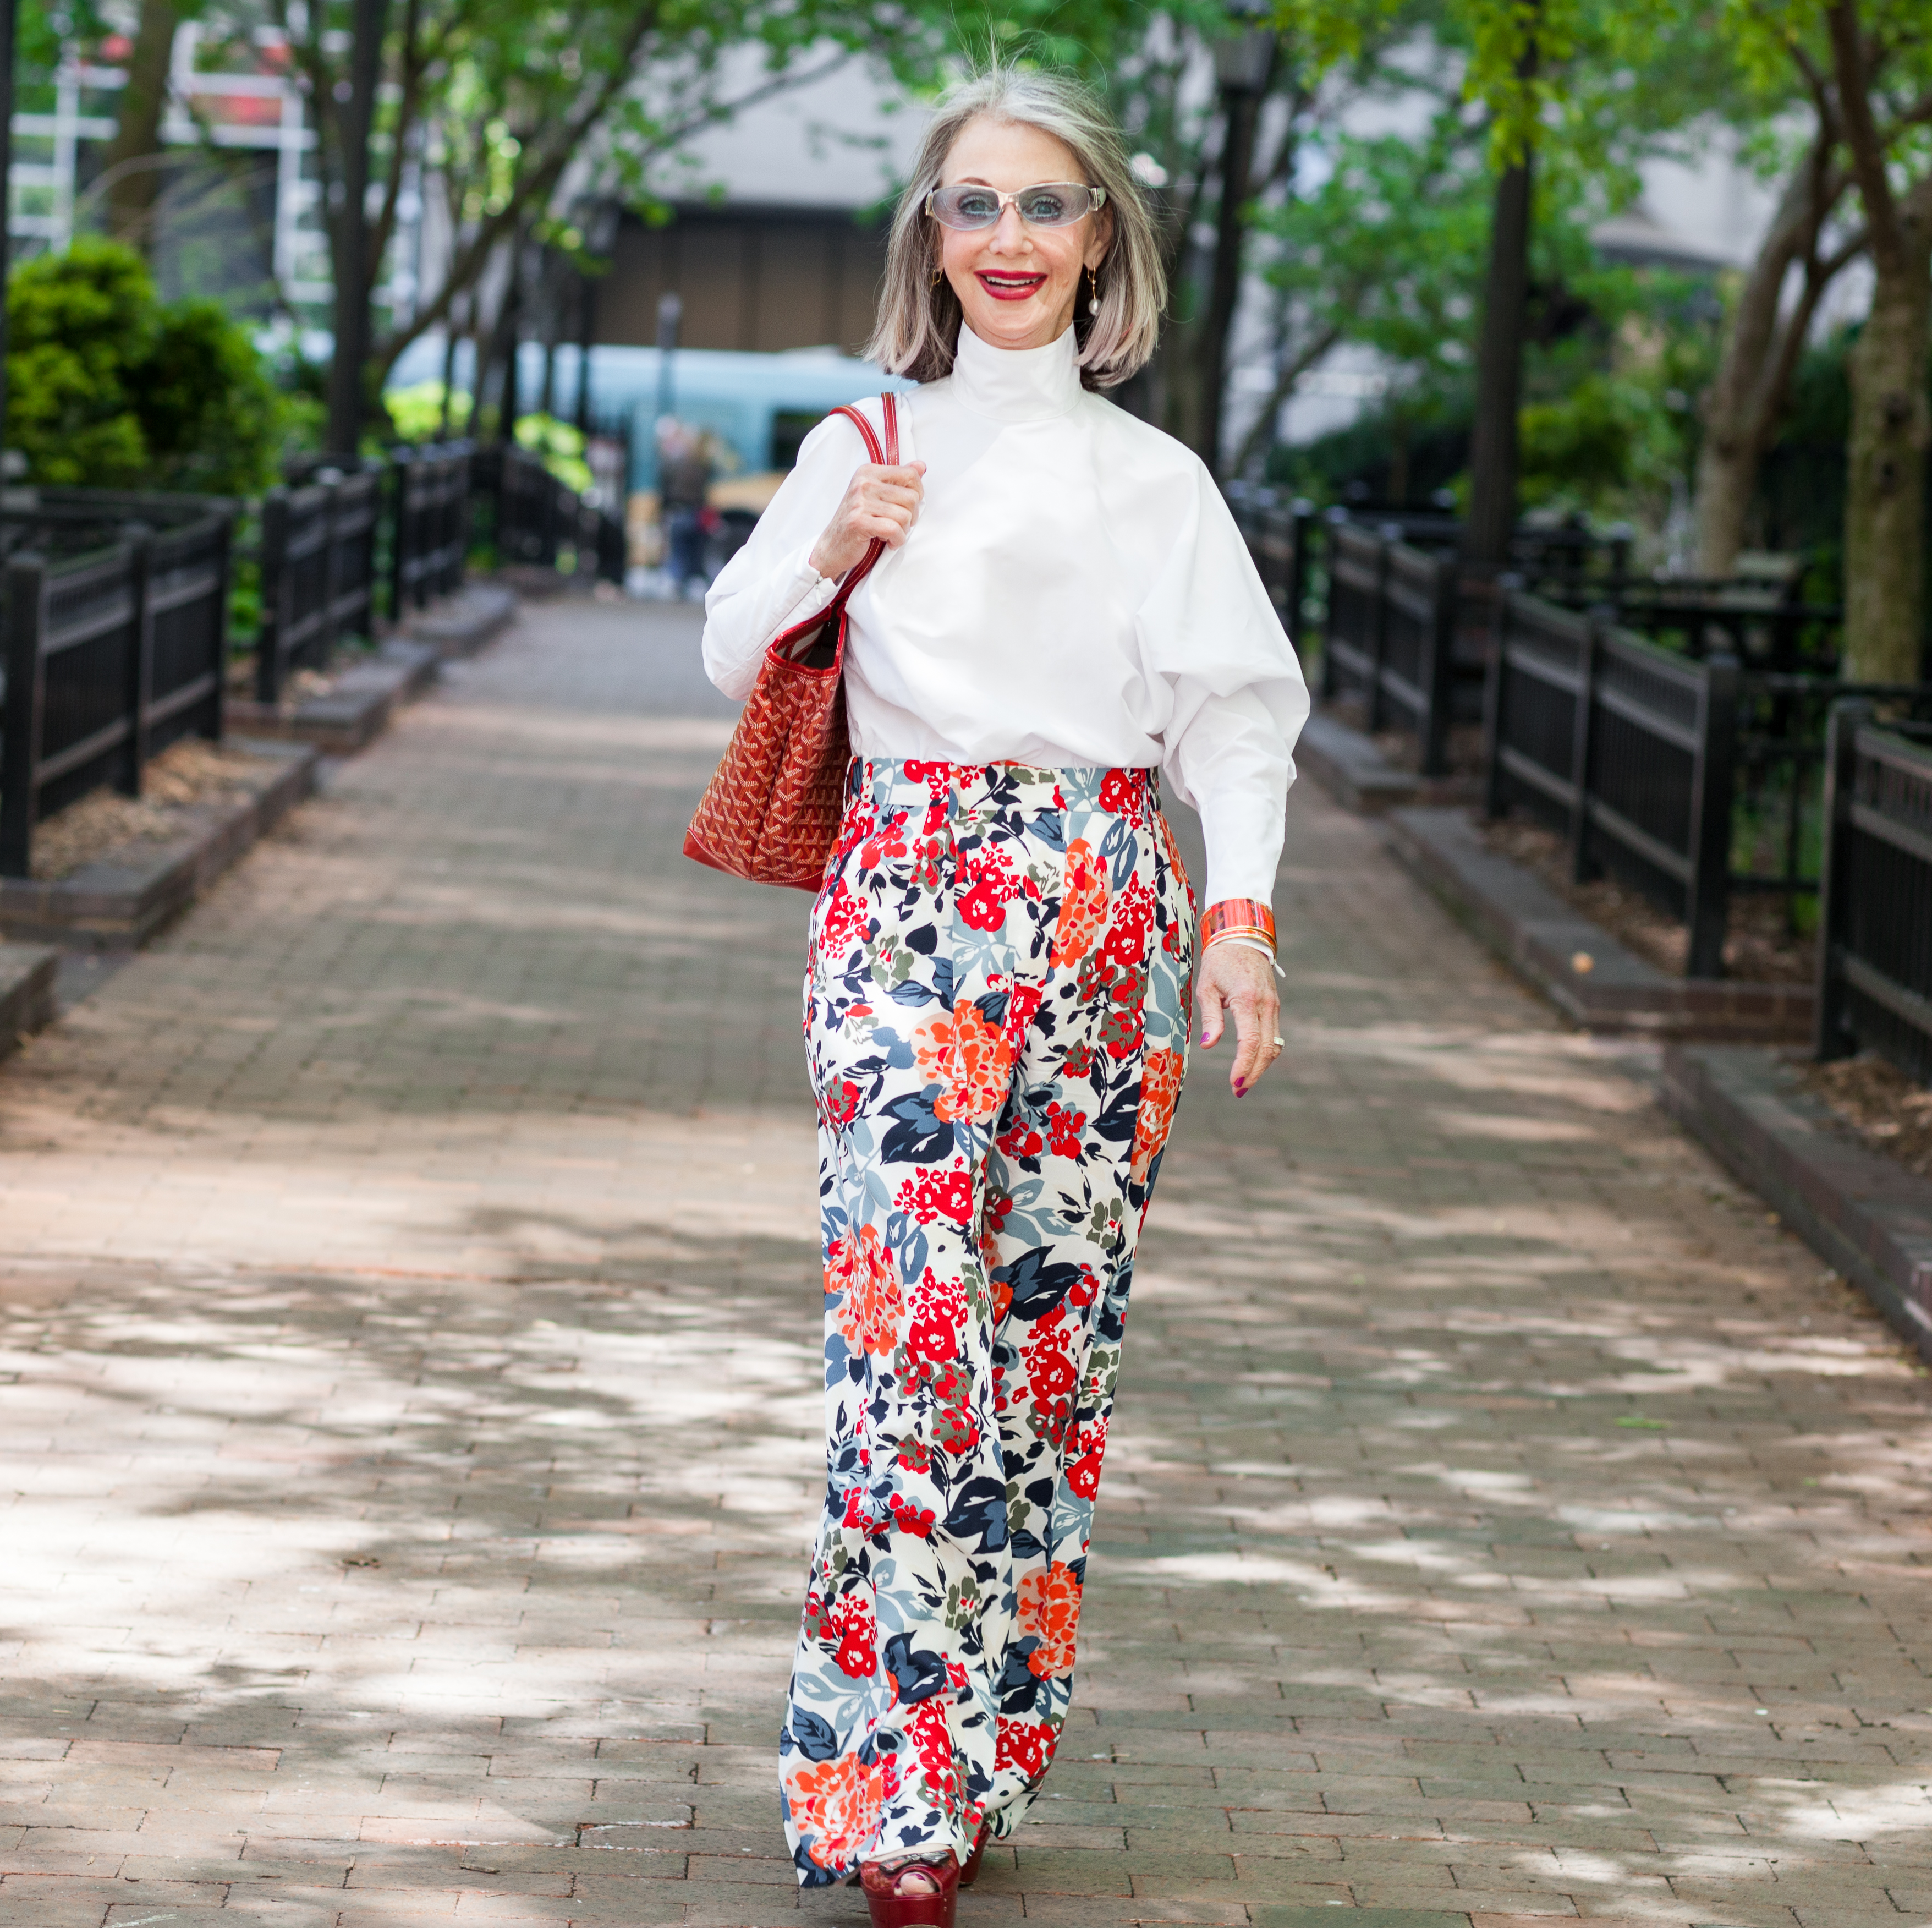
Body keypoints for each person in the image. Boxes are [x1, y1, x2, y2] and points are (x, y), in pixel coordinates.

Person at [700, 65, 1308, 1928]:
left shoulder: (1154, 480)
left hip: (1104, 909)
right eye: (973, 205)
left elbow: (1237, 716)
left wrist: (1240, 918)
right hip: (905, 900)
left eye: (1043, 206)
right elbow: (728, 652)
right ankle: (885, 1795)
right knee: (907, 1341)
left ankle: (982, 1742)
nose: (1009, 241)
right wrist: (836, 542)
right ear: (931, 236)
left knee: (1045, 1355)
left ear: (1097, 236)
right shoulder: (861, 439)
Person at [658, 418, 715, 597]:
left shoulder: (676, 463)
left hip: (679, 511)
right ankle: (691, 582)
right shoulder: (702, 465)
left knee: (678, 550)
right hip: (695, 512)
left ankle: (676, 582)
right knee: (695, 549)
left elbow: (666, 485)